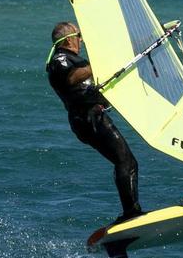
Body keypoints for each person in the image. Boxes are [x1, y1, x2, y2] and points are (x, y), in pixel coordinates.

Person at [45, 21, 143, 225]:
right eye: (78, 36)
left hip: (91, 117)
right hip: (88, 119)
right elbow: (72, 79)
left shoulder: (74, 58)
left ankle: (130, 213)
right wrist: (102, 62)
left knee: (125, 162)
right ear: (69, 39)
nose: (81, 40)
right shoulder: (60, 59)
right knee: (126, 162)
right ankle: (131, 214)